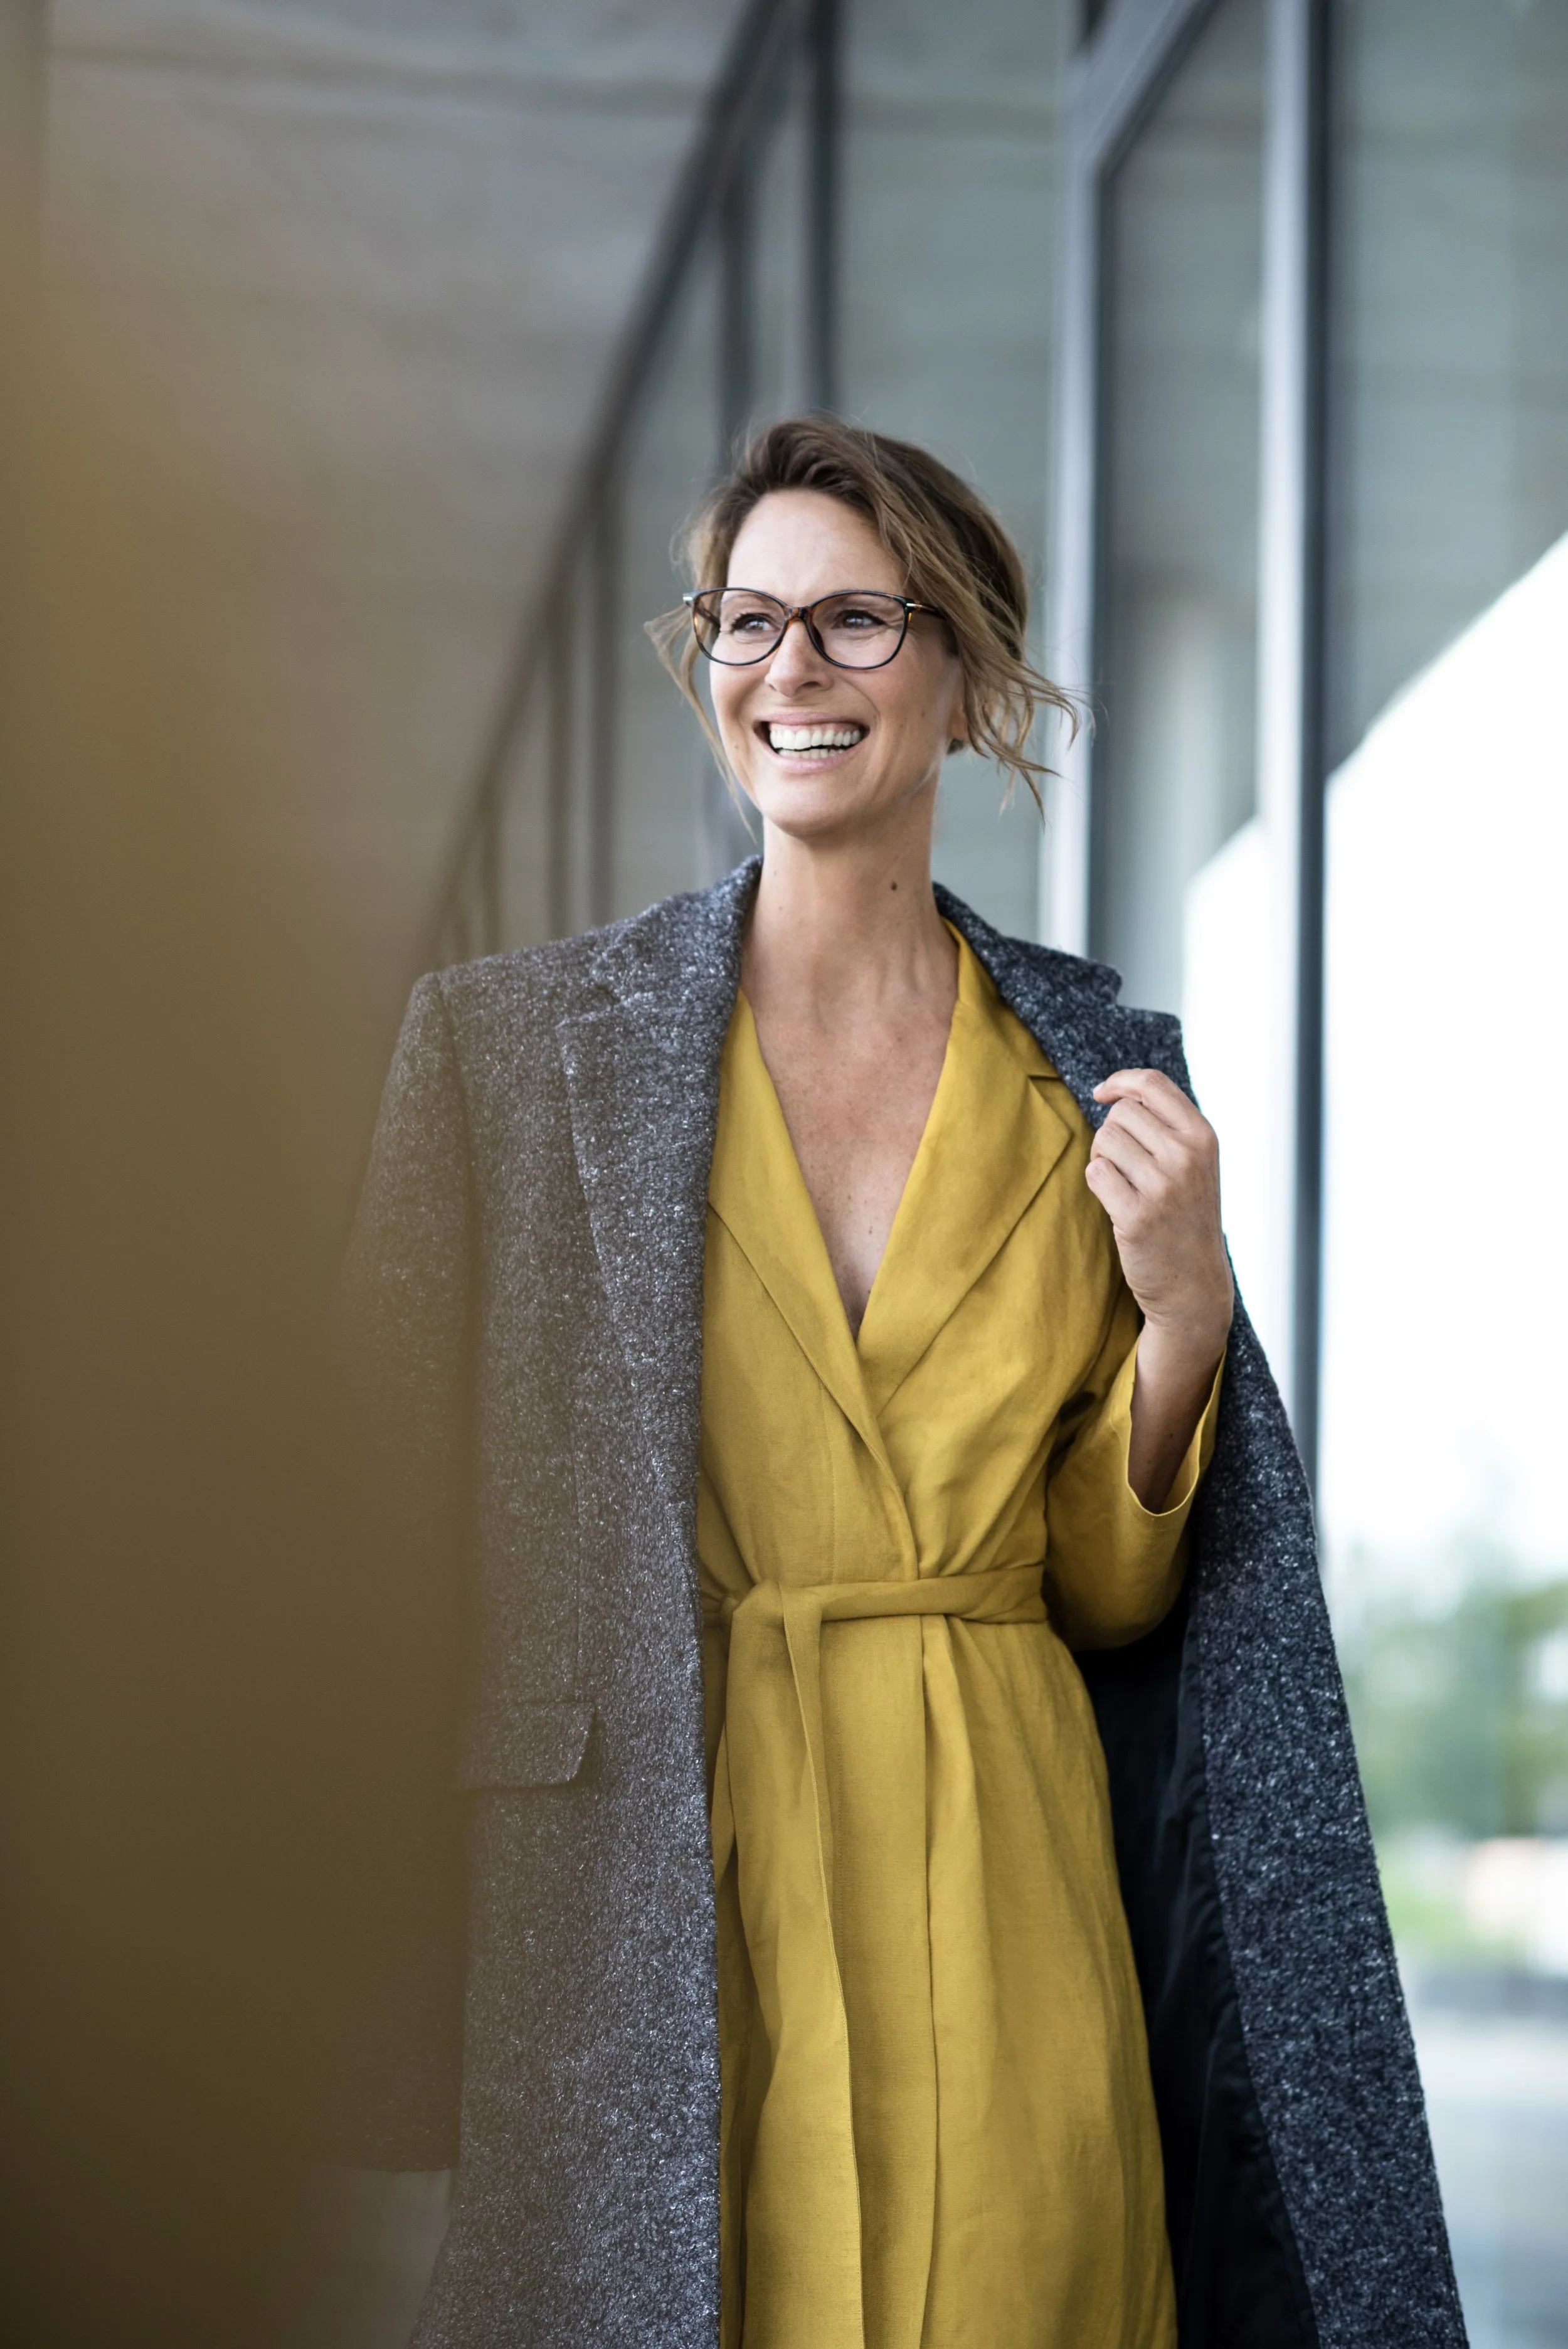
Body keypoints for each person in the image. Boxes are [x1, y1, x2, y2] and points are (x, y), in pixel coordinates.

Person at [339, 419, 1463, 2349]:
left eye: (855, 621)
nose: (790, 668)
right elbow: (360, 1528)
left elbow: (1109, 1596)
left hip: (1010, 1906)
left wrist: (1184, 1318)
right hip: (646, 1914)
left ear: (965, 677)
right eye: (746, 620)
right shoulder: (509, 1053)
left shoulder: (1097, 1072)